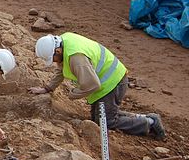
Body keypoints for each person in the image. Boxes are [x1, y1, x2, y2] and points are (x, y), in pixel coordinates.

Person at [30, 33, 166, 140]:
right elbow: (61, 69)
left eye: (52, 58)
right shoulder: (64, 41)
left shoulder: (76, 58)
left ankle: (149, 123)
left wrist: (73, 94)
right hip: (107, 82)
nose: (53, 62)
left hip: (113, 83)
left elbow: (92, 85)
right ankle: (143, 117)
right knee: (98, 119)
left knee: (106, 122)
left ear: (57, 51)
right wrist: (48, 88)